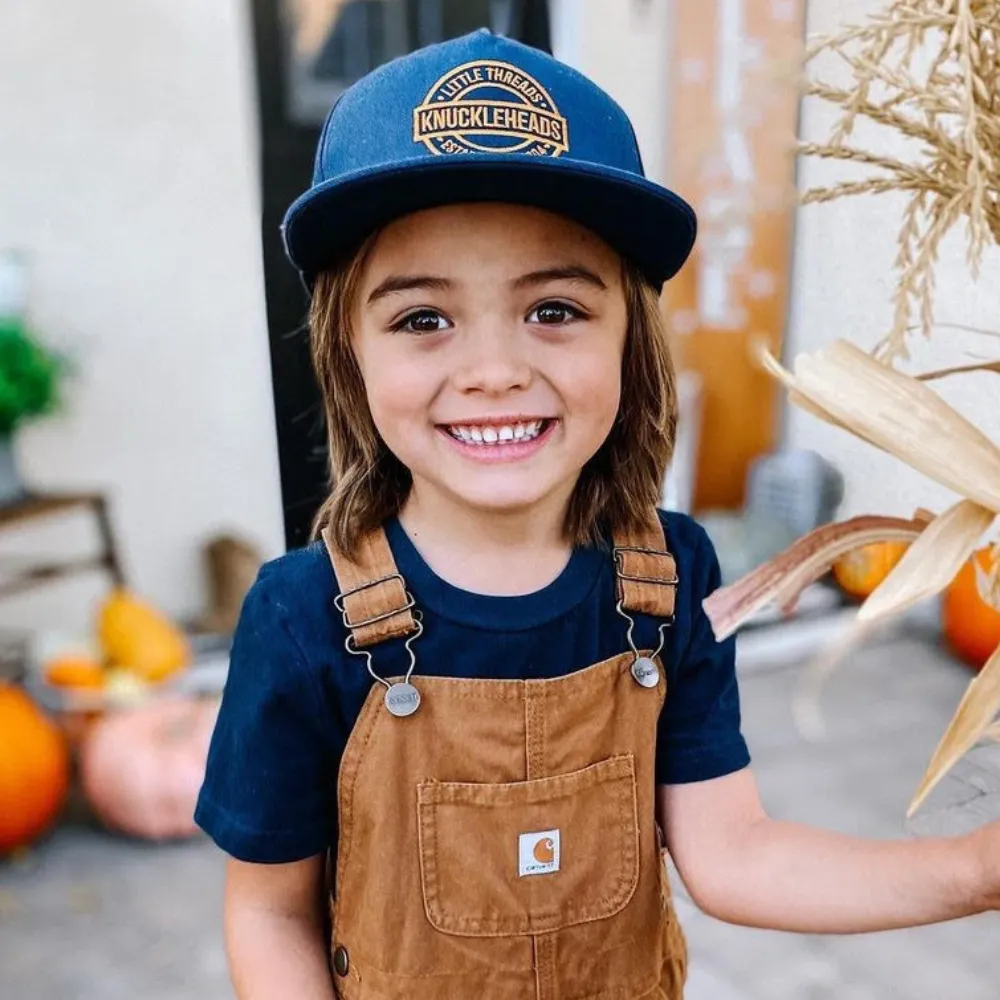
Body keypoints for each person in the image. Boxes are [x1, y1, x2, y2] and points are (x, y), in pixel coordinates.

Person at [194, 28, 1000, 1000]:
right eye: (421, 319)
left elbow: (733, 854)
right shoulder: (300, 617)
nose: (493, 371)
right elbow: (269, 911)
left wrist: (972, 870)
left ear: (631, 338)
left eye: (554, 310)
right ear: (347, 356)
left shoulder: (670, 578)